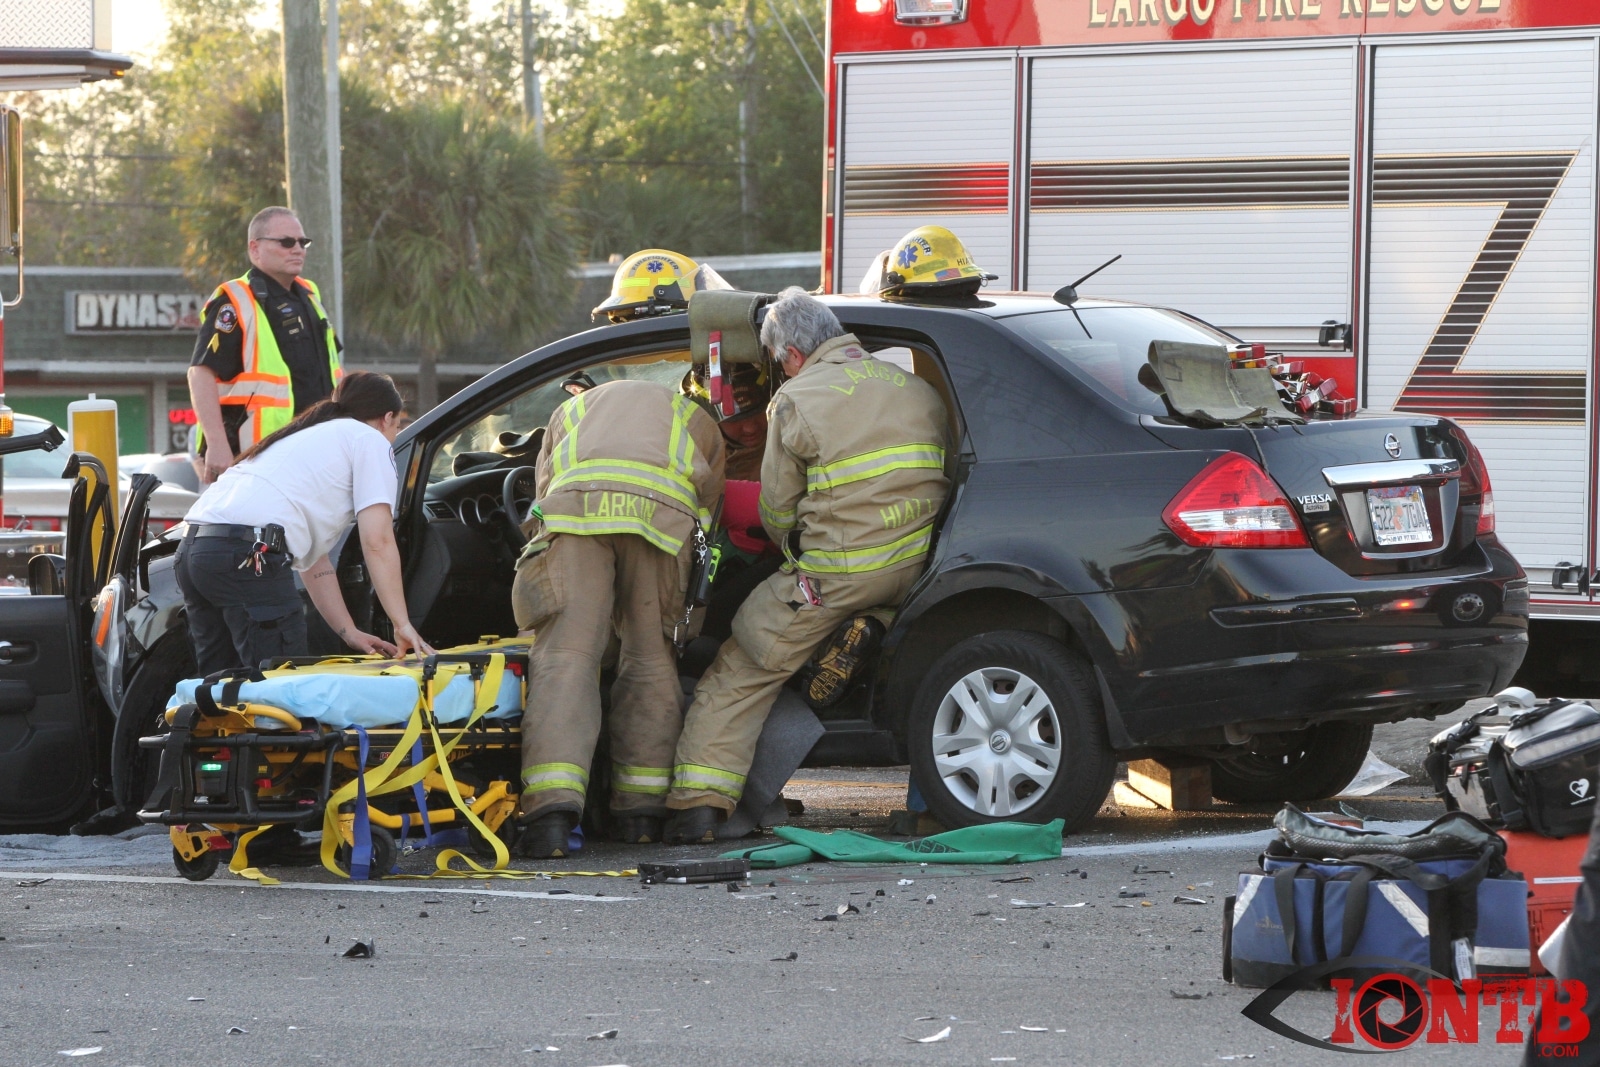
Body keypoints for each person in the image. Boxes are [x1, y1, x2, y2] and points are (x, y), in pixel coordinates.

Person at [662, 288, 952, 843]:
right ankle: (871, 626)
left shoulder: (795, 400)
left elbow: (776, 511)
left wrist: (789, 546)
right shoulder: (915, 389)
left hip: (836, 575)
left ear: (791, 355)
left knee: (741, 667)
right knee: (882, 605)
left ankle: (699, 806)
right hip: (916, 566)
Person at [510, 377, 726, 857]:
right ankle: (641, 814)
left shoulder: (571, 410)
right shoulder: (695, 417)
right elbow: (708, 514)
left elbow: (544, 494)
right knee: (650, 659)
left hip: (575, 514)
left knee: (567, 658)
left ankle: (550, 817)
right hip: (663, 523)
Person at [176, 371, 433, 676]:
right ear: (386, 418)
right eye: (397, 426)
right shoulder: (369, 439)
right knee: (279, 684)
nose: (394, 436)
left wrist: (348, 632)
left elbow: (313, 562)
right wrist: (402, 623)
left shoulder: (303, 437)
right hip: (246, 556)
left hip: (193, 552)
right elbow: (377, 541)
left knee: (220, 687)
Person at [189, 205, 342, 485]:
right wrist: (216, 443)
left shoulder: (310, 295)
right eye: (286, 242)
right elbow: (200, 373)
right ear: (255, 248)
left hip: (314, 451)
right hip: (257, 457)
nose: (298, 249)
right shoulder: (235, 299)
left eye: (303, 242)